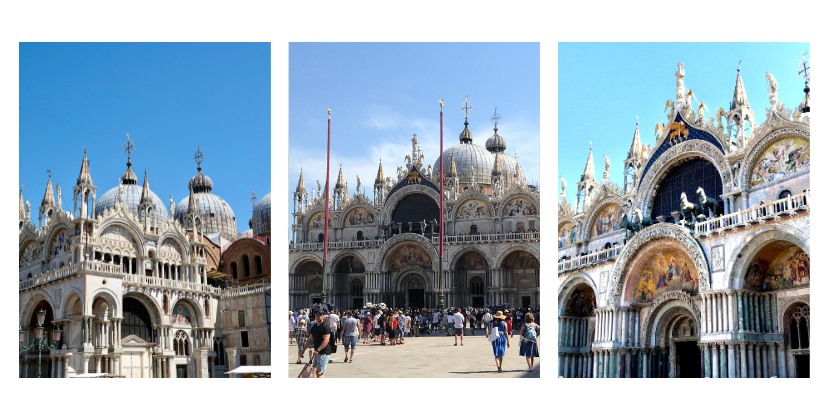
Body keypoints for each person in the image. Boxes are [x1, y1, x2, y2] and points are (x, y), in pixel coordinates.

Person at [302, 309, 331, 378]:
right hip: (317, 352)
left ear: (323, 316)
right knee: (315, 371)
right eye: (316, 315)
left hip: (324, 352)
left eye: (319, 315)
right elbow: (309, 339)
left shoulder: (325, 326)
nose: (317, 316)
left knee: (319, 372)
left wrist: (318, 350)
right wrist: (303, 351)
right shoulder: (314, 327)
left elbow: (326, 340)